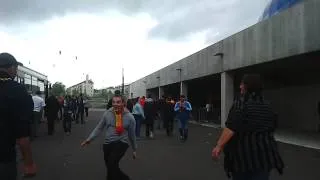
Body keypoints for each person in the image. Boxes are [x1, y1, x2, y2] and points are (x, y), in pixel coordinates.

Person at [212, 74, 284, 180]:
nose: (240, 87)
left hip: (244, 159)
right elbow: (273, 126)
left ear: (247, 86)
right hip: (265, 157)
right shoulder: (268, 106)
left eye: (242, 84)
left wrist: (219, 146)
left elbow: (231, 128)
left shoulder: (241, 104)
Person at [81, 94, 137, 180]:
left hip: (121, 143)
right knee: (110, 167)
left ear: (123, 103)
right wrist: (89, 139)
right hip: (107, 144)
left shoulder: (130, 118)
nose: (115, 104)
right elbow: (99, 128)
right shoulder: (107, 114)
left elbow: (132, 135)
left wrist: (134, 149)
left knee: (111, 164)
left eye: (118, 102)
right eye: (113, 102)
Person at [0, 52, 37, 179]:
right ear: (11, 68)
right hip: (4, 158)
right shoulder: (17, 90)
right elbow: (22, 136)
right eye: (16, 68)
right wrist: (29, 163)